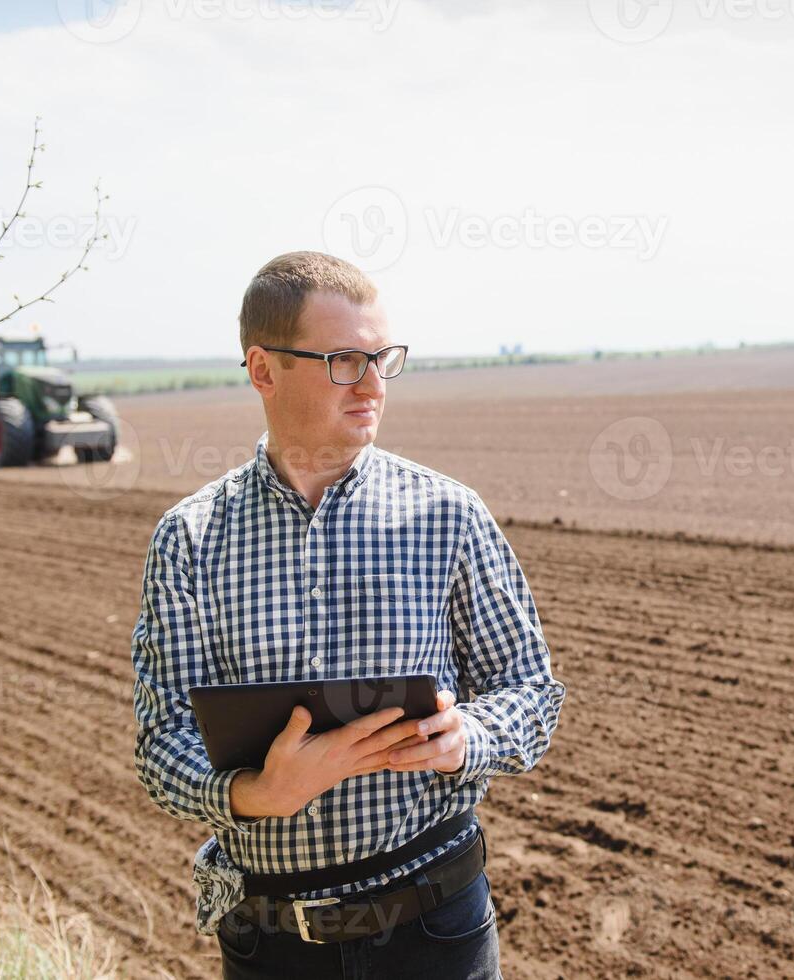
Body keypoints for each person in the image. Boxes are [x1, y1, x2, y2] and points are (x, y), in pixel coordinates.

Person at [131, 250, 565, 979]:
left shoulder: (446, 515)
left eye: (381, 358)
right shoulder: (190, 538)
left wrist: (467, 738)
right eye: (342, 360)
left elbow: (532, 692)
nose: (371, 384)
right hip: (270, 945)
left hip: (435, 931)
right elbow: (162, 742)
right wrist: (255, 793)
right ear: (264, 370)